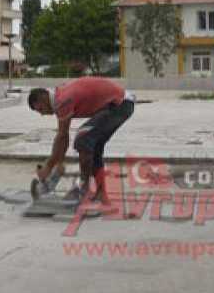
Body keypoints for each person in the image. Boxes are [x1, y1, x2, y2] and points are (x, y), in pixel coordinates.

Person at [28, 77, 135, 206]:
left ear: (44, 98)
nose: (42, 114)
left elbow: (62, 136)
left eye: (40, 109)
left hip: (119, 104)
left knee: (83, 139)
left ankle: (84, 189)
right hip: (121, 104)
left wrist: (49, 166)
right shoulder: (60, 96)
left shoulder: (62, 101)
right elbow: (64, 137)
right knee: (93, 146)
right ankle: (101, 194)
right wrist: (59, 163)